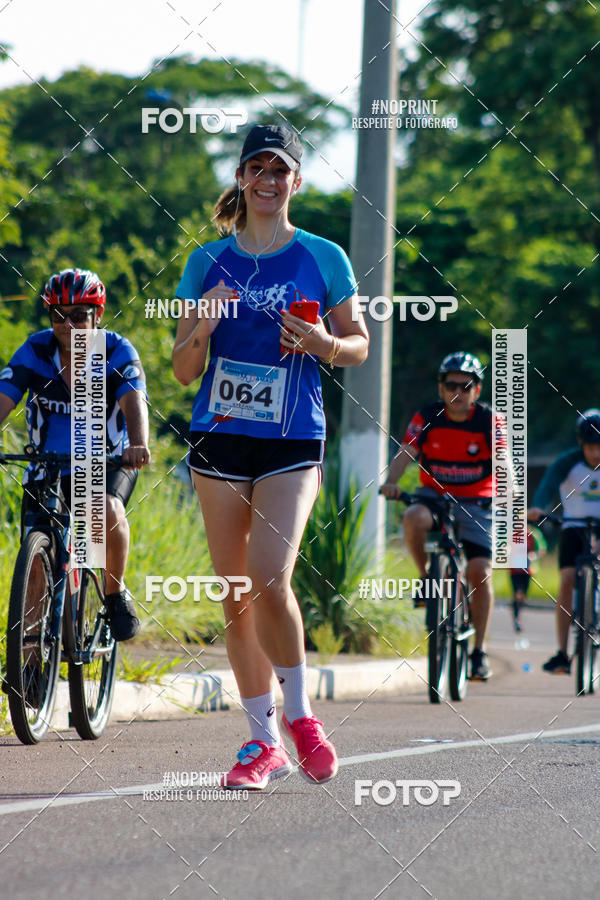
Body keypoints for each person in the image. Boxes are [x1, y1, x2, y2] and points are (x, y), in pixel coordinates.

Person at [172, 123, 369, 790]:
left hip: (290, 437)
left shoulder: (323, 255)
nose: (268, 180)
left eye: (279, 170)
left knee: (268, 575)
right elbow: (181, 370)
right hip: (219, 437)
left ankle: (301, 717)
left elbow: (358, 343)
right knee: (235, 596)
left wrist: (322, 342)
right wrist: (203, 319)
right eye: (257, 168)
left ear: (297, 182)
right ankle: (261, 745)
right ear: (241, 178)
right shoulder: (206, 261)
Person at [0, 267, 150, 642]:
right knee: (35, 568)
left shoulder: (117, 350)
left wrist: (138, 443)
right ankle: (31, 673)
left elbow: (134, 401)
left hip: (110, 458)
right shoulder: (35, 349)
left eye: (79, 315)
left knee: (107, 510)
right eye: (58, 315)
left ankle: (114, 595)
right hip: (47, 464)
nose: (68, 324)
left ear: (98, 315)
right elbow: (4, 397)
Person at [380, 351, 497, 682]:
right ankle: (427, 576)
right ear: (441, 388)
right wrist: (391, 482)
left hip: (478, 500)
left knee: (479, 570)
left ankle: (479, 651)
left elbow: (506, 465)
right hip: (435, 496)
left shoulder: (492, 421)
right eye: (450, 385)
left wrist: (512, 496)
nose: (457, 392)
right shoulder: (426, 416)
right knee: (414, 516)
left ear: (478, 390)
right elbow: (406, 452)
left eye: (466, 385)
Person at [528, 409, 600, 674]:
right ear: (581, 443)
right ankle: (561, 652)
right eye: (591, 447)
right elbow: (548, 485)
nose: (596, 454)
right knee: (568, 579)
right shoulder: (567, 462)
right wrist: (536, 507)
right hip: (574, 526)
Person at [508, 526, 546, 632]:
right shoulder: (512, 534)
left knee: (523, 595)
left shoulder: (534, 534)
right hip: (514, 570)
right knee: (517, 593)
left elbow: (541, 549)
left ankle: (518, 612)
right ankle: (517, 618)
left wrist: (533, 555)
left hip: (528, 570)